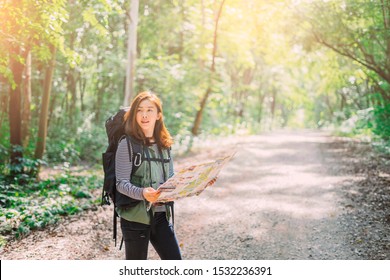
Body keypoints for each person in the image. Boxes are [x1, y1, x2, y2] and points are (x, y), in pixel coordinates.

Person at [115, 91, 182, 260]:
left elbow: (171, 180)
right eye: (139, 110)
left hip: (160, 216)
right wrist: (142, 193)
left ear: (158, 115)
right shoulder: (127, 144)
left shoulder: (165, 145)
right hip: (134, 218)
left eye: (150, 110)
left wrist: (198, 183)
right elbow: (121, 183)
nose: (144, 114)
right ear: (134, 114)